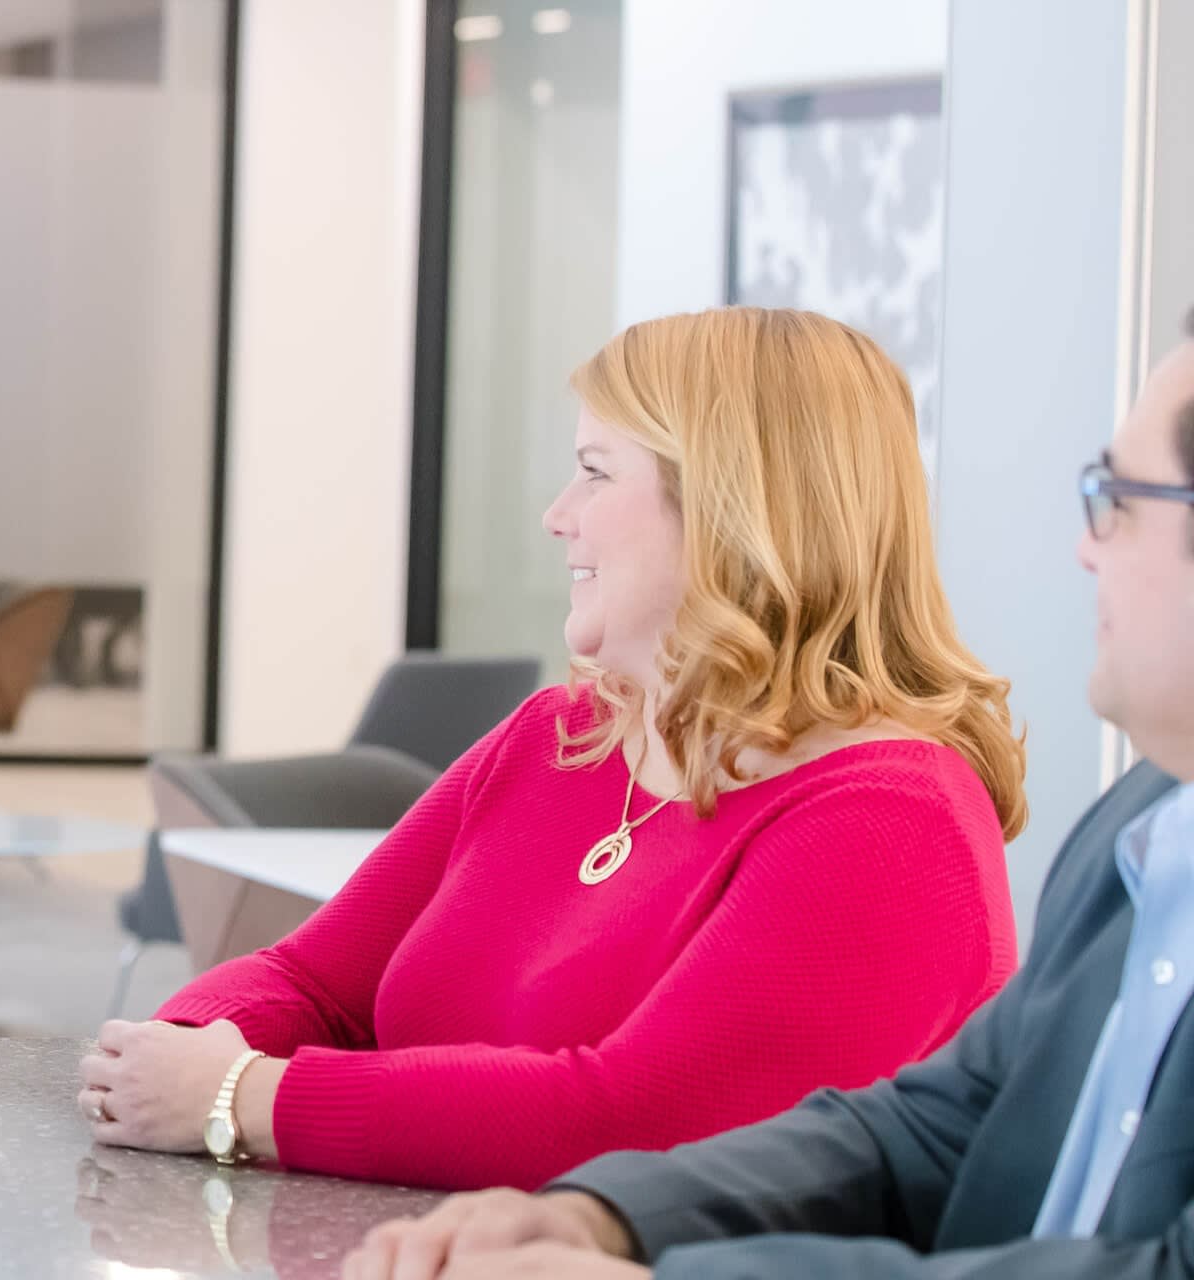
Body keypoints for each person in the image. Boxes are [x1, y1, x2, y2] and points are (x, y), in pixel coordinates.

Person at [77, 307, 1027, 1191]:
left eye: (597, 471)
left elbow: (632, 1123)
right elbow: (307, 982)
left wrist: (238, 1098)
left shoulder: (891, 821)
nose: (557, 513)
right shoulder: (563, 737)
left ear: (734, 507)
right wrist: (179, 1053)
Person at [337, 313, 1194, 1280]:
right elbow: (937, 1125)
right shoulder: (1142, 832)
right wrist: (606, 1217)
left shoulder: (892, 812)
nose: (1085, 550)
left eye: (1116, 500)